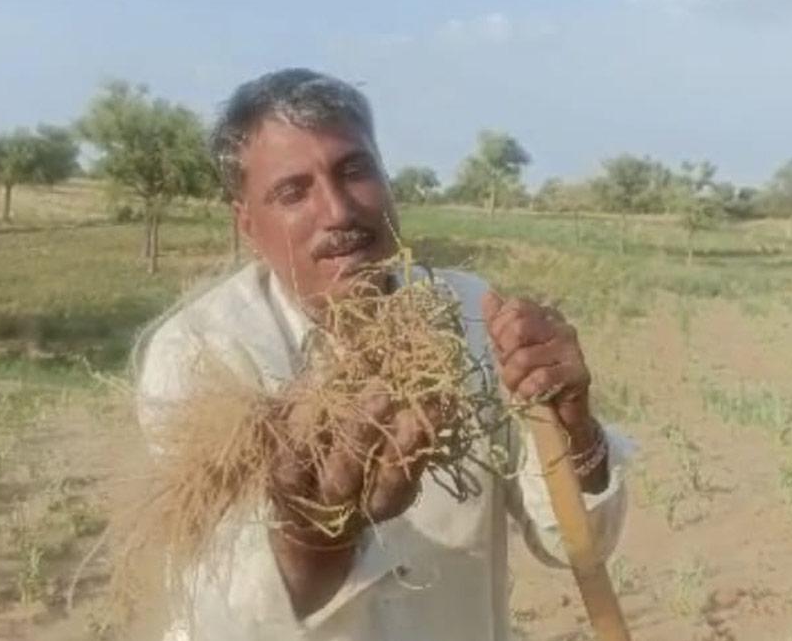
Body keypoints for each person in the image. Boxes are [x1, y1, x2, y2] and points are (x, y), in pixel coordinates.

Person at [132, 68, 633, 641]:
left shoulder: (474, 314)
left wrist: (575, 430)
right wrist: (317, 539)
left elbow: (576, 544)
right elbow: (218, 614)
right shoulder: (201, 353)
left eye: (354, 171)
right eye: (293, 191)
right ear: (247, 222)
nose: (339, 211)